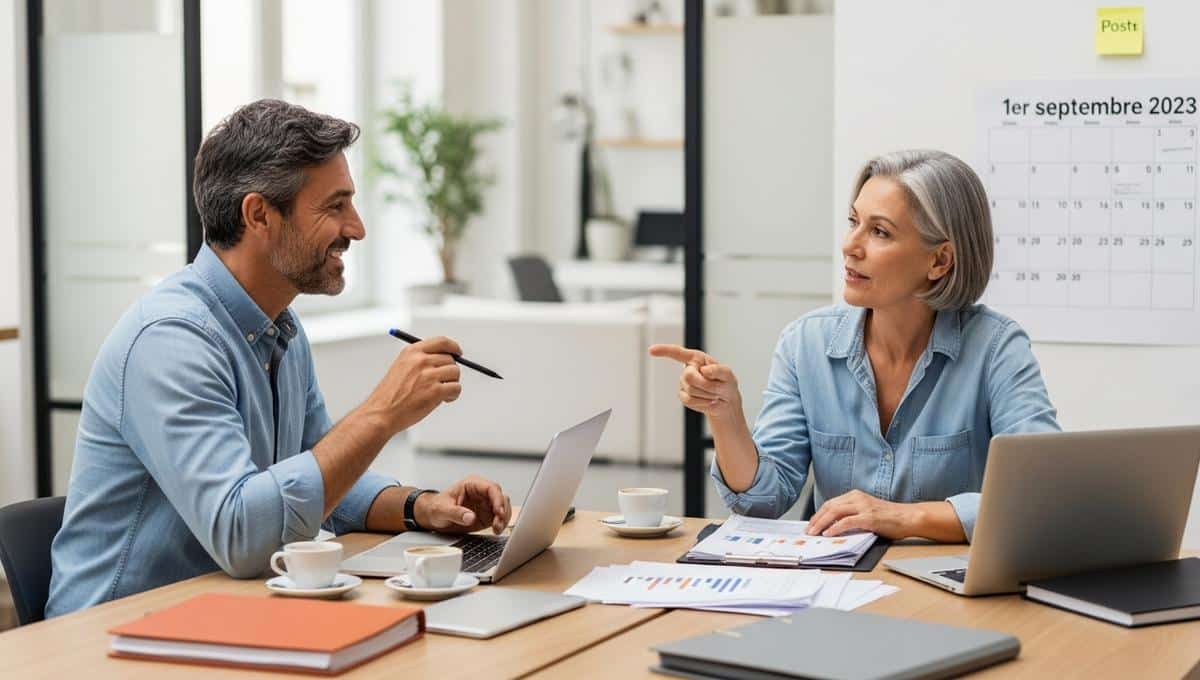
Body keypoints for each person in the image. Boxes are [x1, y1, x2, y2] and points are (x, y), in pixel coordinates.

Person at [46, 100, 512, 617]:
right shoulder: (171, 340)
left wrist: (420, 506)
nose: (356, 229)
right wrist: (383, 413)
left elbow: (319, 475)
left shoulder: (280, 329)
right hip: (111, 638)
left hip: (222, 616)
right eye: (335, 206)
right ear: (259, 215)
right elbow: (245, 538)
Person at [651, 150, 1059, 543]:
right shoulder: (805, 343)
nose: (850, 245)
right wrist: (726, 415)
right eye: (854, 222)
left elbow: (1042, 494)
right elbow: (762, 502)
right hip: (834, 587)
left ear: (940, 262)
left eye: (879, 231)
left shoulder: (995, 348)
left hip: (947, 591)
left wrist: (904, 517)